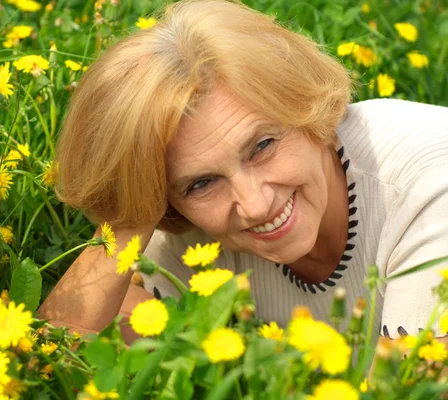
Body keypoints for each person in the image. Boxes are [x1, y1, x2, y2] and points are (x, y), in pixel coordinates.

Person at [37, 0, 448, 344]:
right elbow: (53, 357)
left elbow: (408, 387)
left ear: (307, 108)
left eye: (262, 147)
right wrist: (130, 208)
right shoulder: (196, 232)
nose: (255, 205)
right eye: (201, 183)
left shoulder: (430, 180)